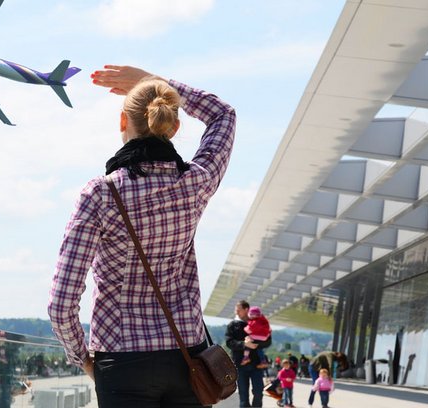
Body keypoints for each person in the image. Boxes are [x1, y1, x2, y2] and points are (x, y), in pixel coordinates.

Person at [48, 65, 237, 408]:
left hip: (120, 362)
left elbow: (61, 304)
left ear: (123, 122)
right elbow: (223, 115)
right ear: (175, 127)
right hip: (186, 358)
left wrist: (84, 360)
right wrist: (158, 81)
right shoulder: (194, 183)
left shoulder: (100, 194)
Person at [225, 300, 272, 408]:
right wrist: (244, 344)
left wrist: (256, 344)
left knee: (258, 392)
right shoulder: (232, 325)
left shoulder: (259, 321)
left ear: (246, 309)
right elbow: (229, 342)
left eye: (238, 310)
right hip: (239, 365)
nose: (236, 312)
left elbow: (268, 341)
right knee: (243, 396)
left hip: (257, 365)